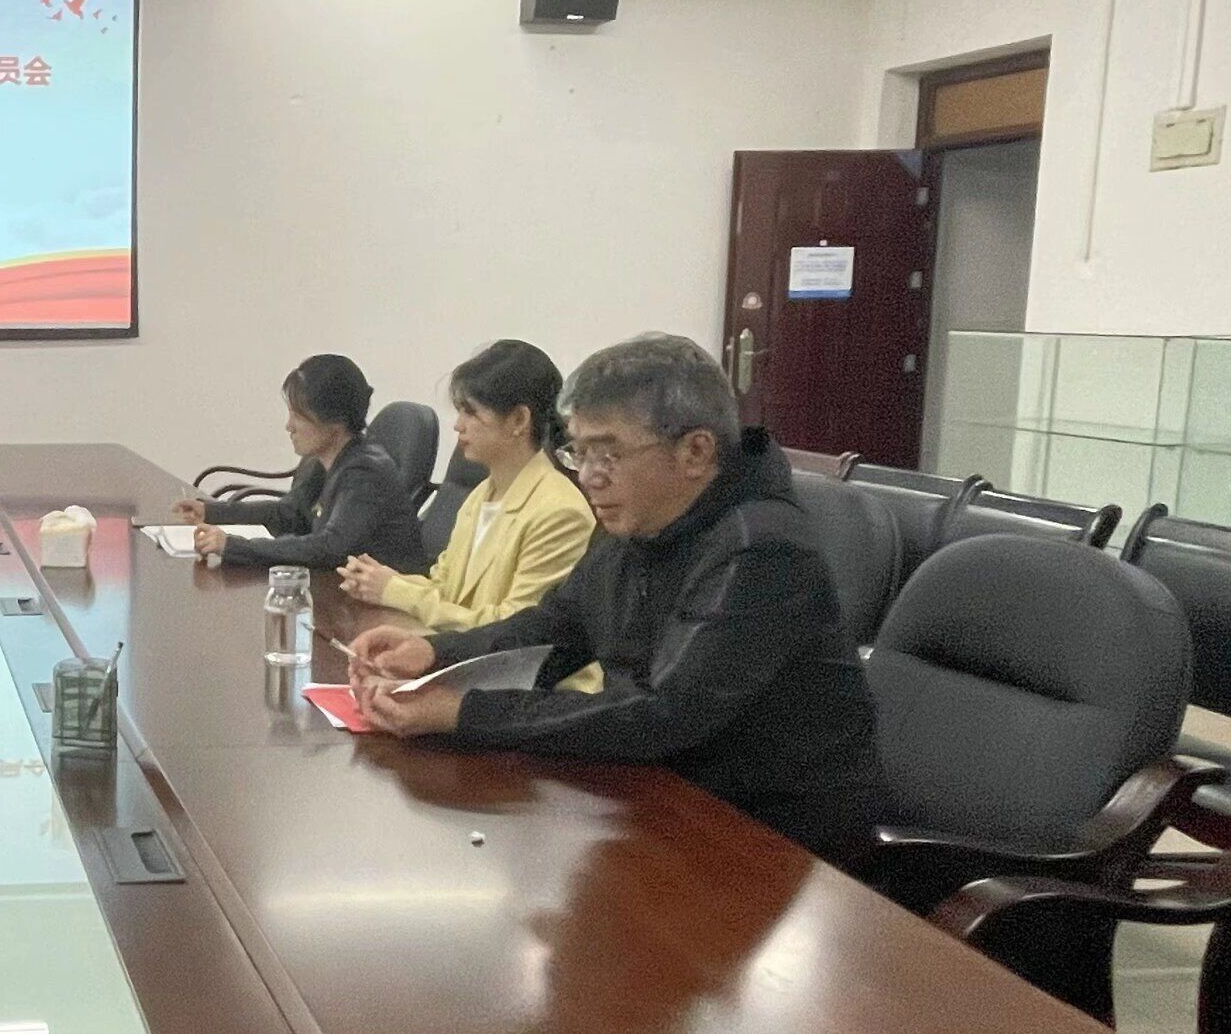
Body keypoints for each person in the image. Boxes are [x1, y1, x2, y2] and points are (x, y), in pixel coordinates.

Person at [348, 333, 880, 867]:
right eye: (578, 452)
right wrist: (436, 653)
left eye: (608, 453)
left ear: (695, 452)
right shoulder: (637, 521)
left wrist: (464, 712)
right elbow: (554, 627)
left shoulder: (760, 549)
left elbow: (663, 712)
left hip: (774, 843)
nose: (588, 476)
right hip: (660, 794)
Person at [338, 340, 601, 690]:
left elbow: (510, 633)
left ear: (519, 420)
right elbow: (445, 587)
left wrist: (396, 591)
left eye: (471, 412)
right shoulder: (481, 495)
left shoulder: (559, 512)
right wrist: (383, 581)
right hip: (473, 676)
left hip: (539, 695)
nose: (458, 426)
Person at [173, 354, 428, 573]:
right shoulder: (323, 458)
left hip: (382, 604)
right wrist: (212, 512)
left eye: (298, 416)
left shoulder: (365, 473)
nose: (289, 426)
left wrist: (234, 546)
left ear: (335, 422)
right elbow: (289, 513)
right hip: (339, 587)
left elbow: (329, 548)